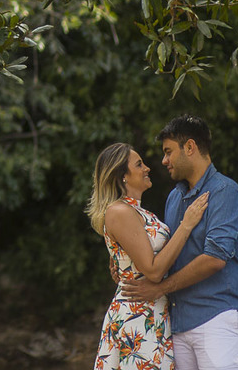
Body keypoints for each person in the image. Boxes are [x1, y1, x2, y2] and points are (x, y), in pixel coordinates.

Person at [121, 114, 238, 370]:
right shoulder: (174, 197)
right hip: (178, 324)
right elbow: (165, 252)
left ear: (190, 147)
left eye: (168, 152)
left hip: (218, 318)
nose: (164, 160)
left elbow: (215, 259)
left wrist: (162, 288)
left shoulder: (225, 192)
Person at [87, 142, 209, 370]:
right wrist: (187, 225)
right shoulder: (120, 211)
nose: (147, 168)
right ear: (123, 175)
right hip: (137, 317)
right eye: (139, 164)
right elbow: (153, 271)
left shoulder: (139, 211)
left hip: (153, 312)